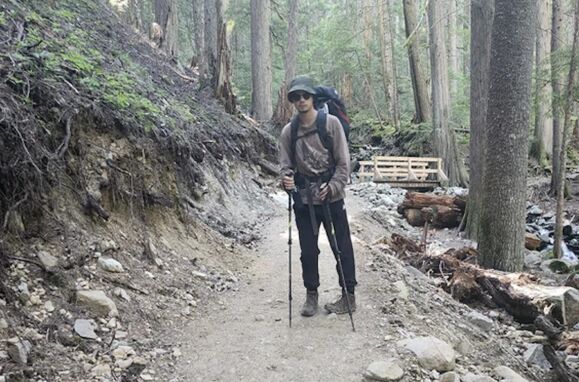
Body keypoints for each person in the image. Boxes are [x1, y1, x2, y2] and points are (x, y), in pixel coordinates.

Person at [279, 75, 357, 317]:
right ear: (292, 101)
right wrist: (287, 180)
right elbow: (284, 167)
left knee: (341, 247)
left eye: (305, 96)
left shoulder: (331, 124)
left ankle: (349, 296)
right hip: (304, 201)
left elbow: (344, 164)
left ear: (313, 98)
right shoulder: (288, 132)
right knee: (308, 251)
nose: (301, 100)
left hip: (332, 200)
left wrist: (332, 187)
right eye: (296, 97)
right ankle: (311, 295)